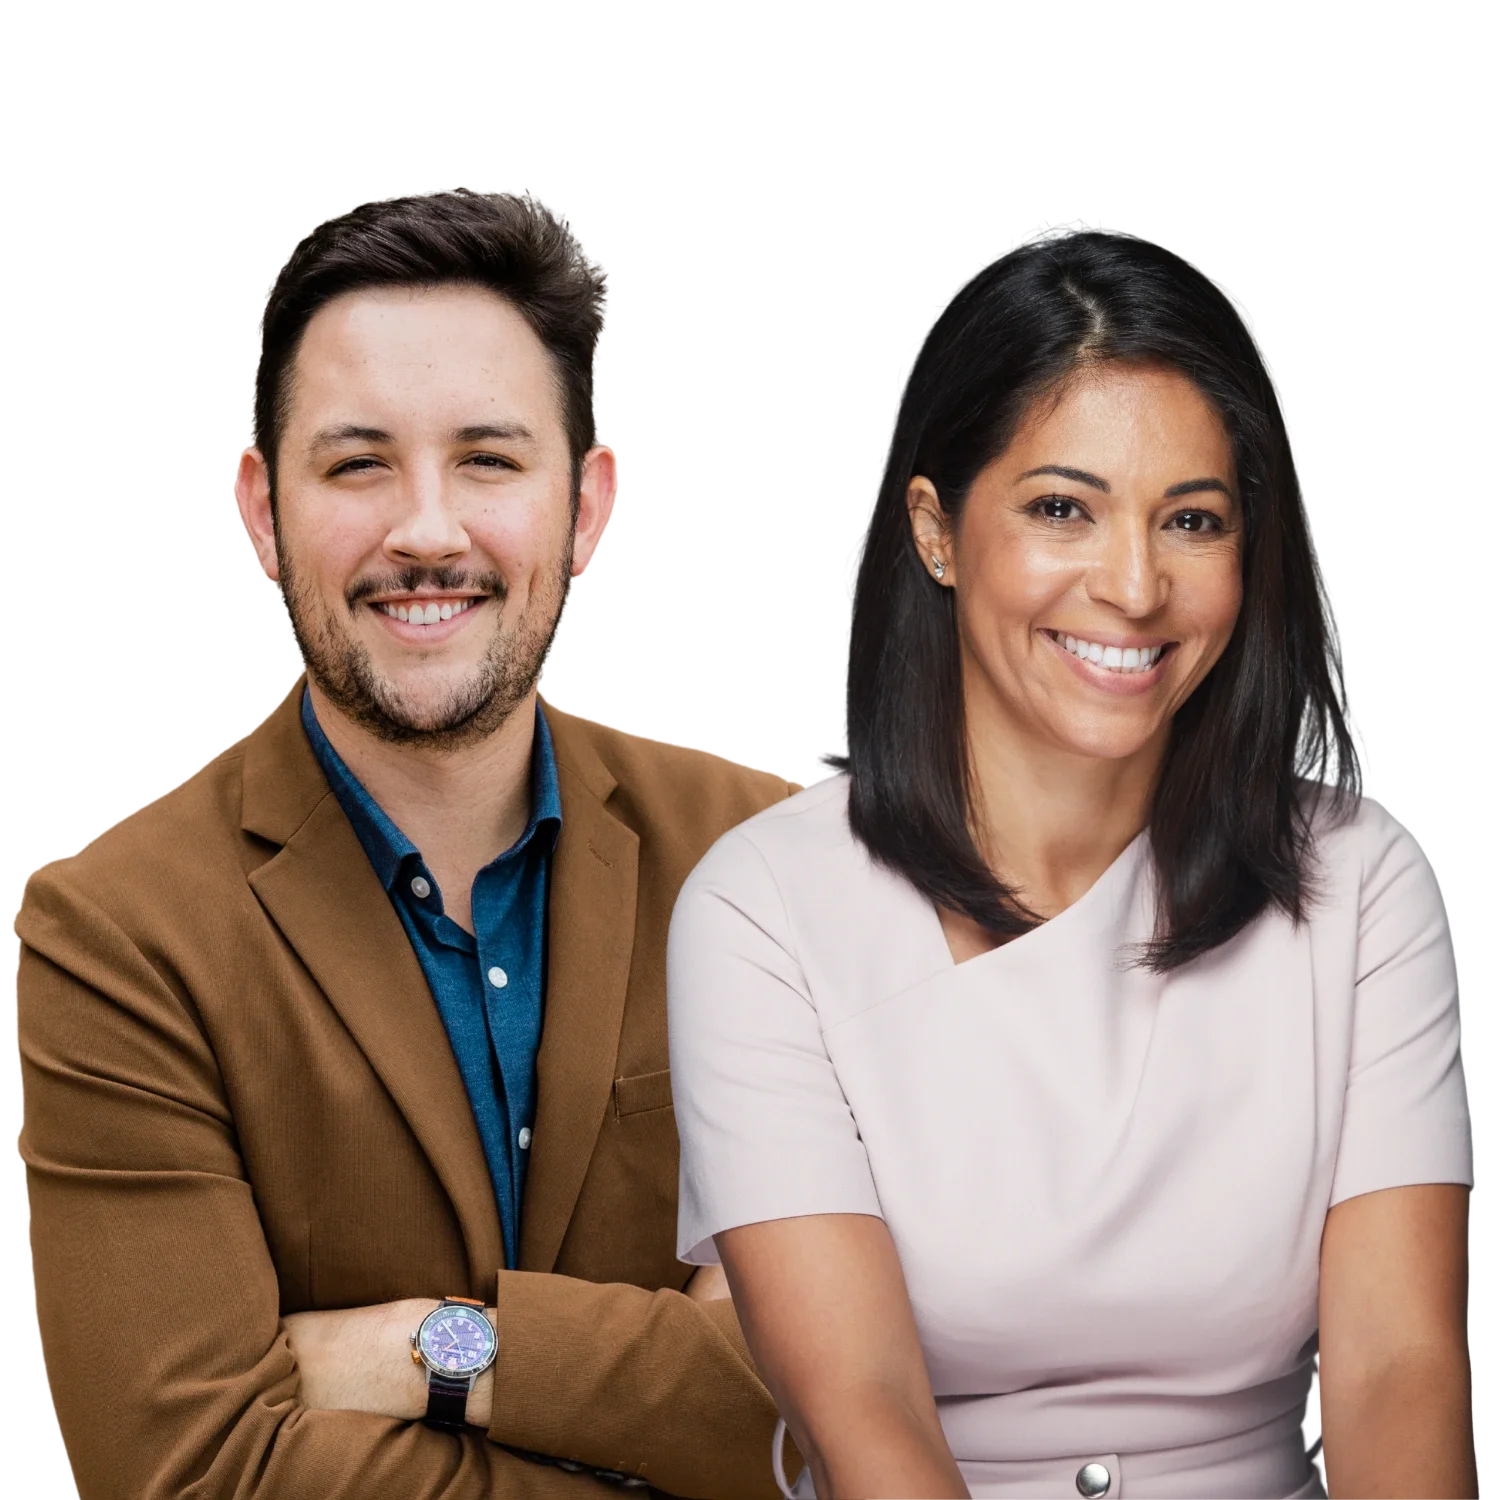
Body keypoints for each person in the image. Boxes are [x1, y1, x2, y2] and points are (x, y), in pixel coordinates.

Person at [15, 188, 807, 1499]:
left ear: (589, 504)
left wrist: (437, 1354)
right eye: (358, 464)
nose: (426, 530)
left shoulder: (778, 862)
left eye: (488, 459)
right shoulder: (116, 934)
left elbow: (873, 1393)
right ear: (260, 508)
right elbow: (188, 1474)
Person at [666, 229, 1475, 1499]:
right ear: (936, 531)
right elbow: (865, 1412)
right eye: (1062, 509)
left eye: (1192, 521)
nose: (1136, 586)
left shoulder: (1363, 876)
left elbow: (1396, 1371)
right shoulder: (761, 906)